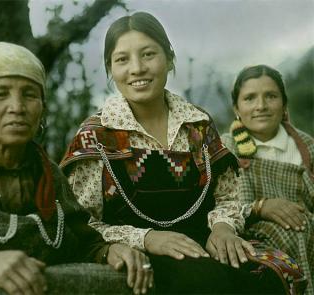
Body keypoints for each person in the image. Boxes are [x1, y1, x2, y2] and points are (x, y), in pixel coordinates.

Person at [60, 12, 306, 294]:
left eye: (148, 54)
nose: (137, 68)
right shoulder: (96, 135)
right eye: (122, 59)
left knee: (275, 274)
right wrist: (147, 238)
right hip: (141, 250)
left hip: (205, 240)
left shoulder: (197, 124)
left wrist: (223, 228)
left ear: (170, 58)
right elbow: (81, 224)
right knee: (203, 282)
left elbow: (227, 197)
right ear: (110, 68)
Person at [0, 42, 154, 295]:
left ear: (41, 110)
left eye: (29, 95)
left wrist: (110, 251)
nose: (17, 107)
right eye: (1, 94)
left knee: (133, 279)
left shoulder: (49, 174)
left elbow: (83, 240)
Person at [221, 64, 313, 294]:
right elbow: (222, 206)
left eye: (271, 96)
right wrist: (262, 207)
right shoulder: (225, 149)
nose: (261, 106)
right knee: (292, 235)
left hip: (306, 226)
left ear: (284, 105)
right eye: (250, 98)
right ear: (236, 108)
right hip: (250, 234)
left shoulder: (305, 146)